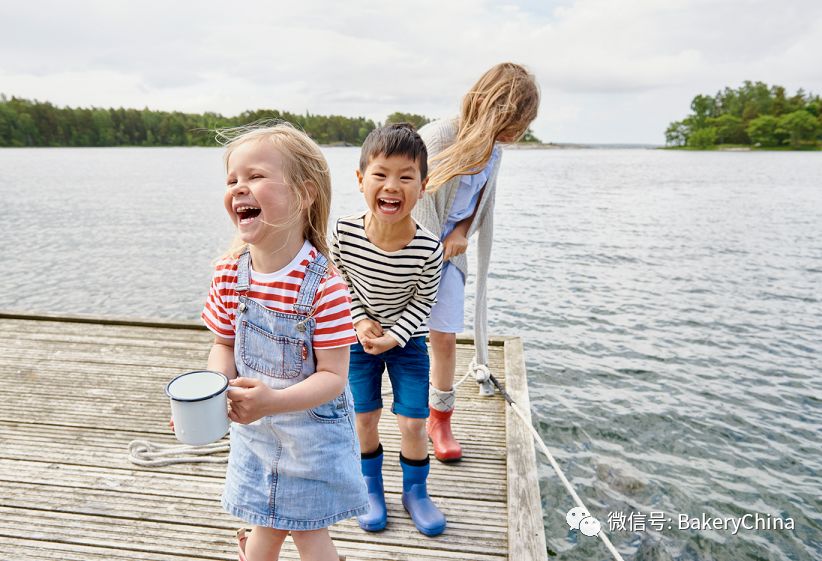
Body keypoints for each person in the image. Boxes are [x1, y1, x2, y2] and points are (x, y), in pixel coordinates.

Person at [200, 122, 367, 561]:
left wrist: (272, 401)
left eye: (255, 176)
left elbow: (333, 377)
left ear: (304, 193)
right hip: (255, 434)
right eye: (232, 180)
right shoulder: (228, 274)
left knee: (307, 533)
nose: (239, 188)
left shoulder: (324, 287)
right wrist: (211, 395)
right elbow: (222, 345)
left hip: (311, 437)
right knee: (267, 524)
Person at [412, 62, 540, 462]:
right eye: (514, 123)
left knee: (445, 337)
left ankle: (440, 418)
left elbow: (479, 204)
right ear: (495, 109)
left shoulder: (494, 151)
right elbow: (410, 197)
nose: (516, 134)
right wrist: (428, 249)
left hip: (451, 253)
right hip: (409, 250)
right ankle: (394, 413)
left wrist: (461, 233)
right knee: (396, 338)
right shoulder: (436, 137)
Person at [331, 124, 446, 536]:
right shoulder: (343, 232)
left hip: (407, 343)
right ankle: (370, 486)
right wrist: (361, 321)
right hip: (359, 340)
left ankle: (415, 492)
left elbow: (423, 303)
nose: (391, 186)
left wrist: (394, 335)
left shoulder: (429, 248)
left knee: (413, 422)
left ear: (424, 184)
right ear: (361, 180)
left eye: (405, 176)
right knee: (364, 417)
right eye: (380, 174)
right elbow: (339, 280)